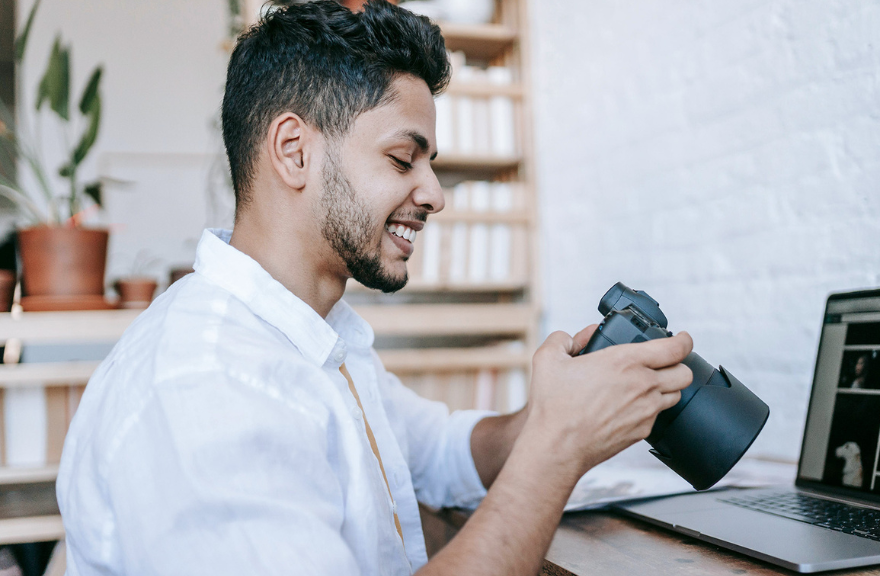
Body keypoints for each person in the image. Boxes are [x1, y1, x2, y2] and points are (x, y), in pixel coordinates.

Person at [56, 2, 694, 574]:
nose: (435, 196)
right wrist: (559, 446)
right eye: (401, 159)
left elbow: (437, 451)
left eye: (430, 163)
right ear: (294, 151)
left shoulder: (322, 336)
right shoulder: (206, 384)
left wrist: (557, 408)